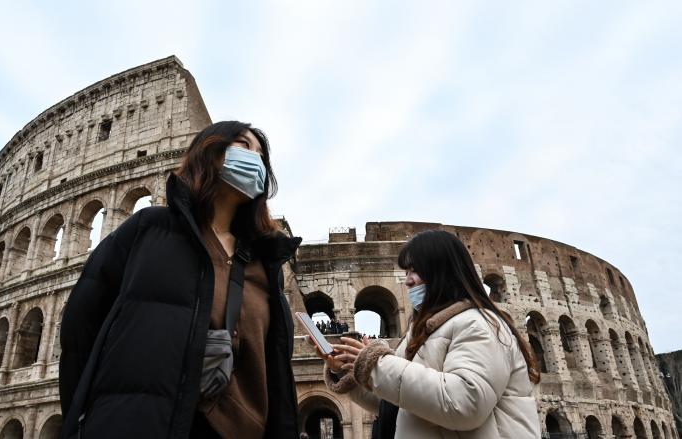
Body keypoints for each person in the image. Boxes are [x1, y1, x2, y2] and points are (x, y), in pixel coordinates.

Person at [59, 121, 302, 439]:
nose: (255, 159)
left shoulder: (265, 264)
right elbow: (80, 325)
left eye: (261, 156)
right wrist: (90, 417)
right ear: (209, 150)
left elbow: (274, 366)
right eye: (244, 145)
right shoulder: (149, 229)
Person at [307, 230, 540, 438]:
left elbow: (465, 404)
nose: (408, 281)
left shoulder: (479, 325)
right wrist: (348, 371)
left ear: (442, 272)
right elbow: (397, 403)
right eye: (407, 271)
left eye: (414, 271)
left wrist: (377, 365)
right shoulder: (421, 332)